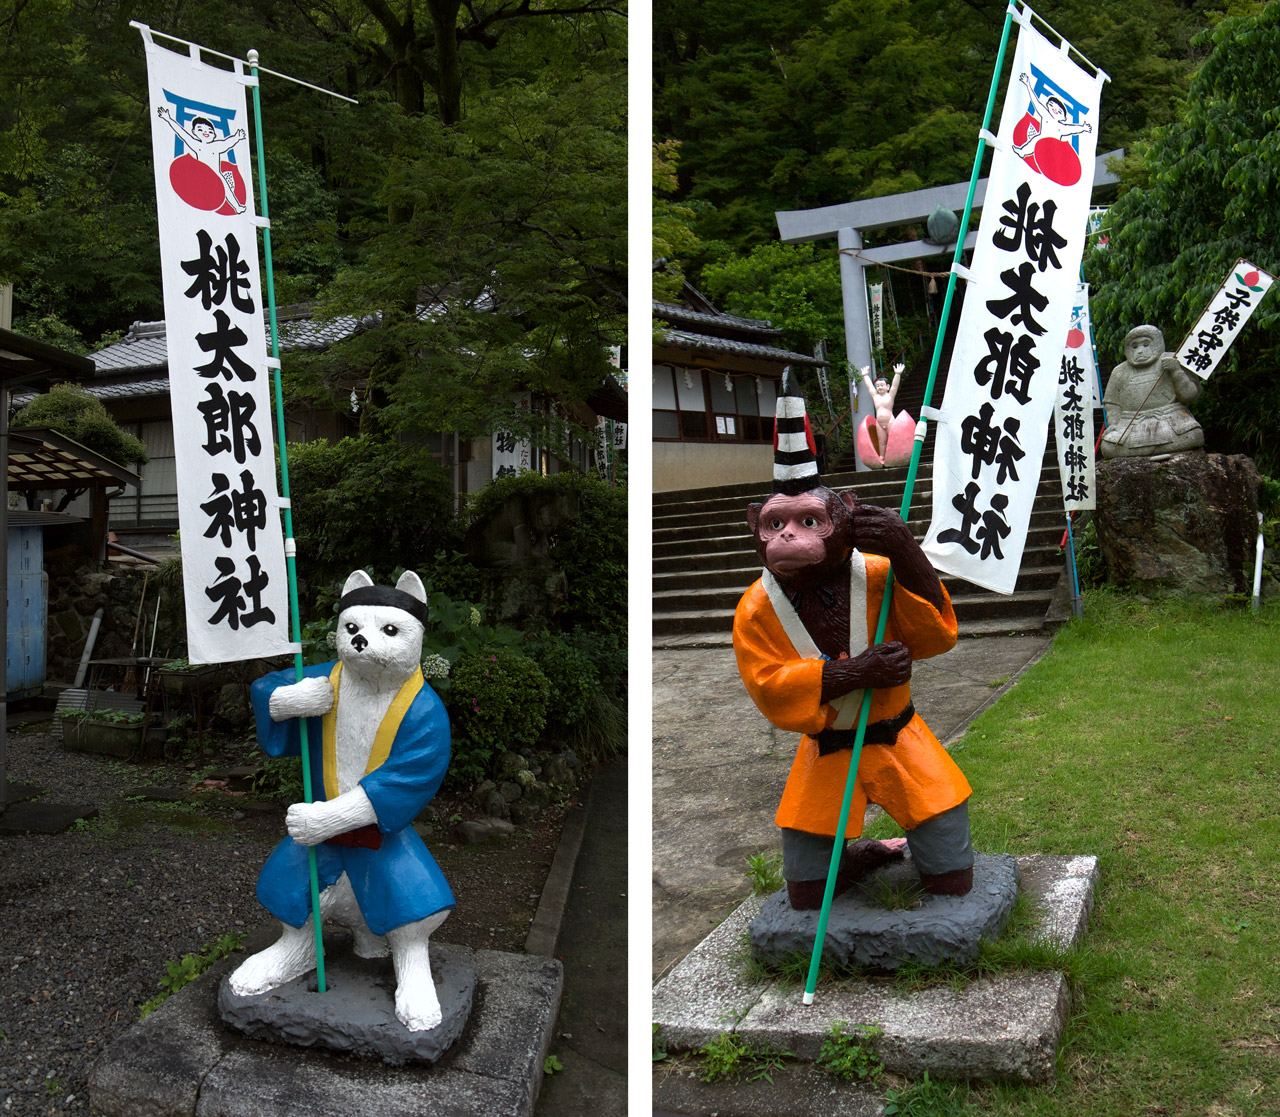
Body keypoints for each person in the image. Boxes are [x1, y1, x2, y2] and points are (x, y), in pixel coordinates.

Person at [1100, 325, 1204, 459]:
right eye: (1134, 346)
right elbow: (1112, 404)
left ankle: (1150, 452)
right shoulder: (1120, 371)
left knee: (1193, 435)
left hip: (1170, 417)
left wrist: (1176, 371)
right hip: (1131, 423)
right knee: (1109, 447)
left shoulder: (1171, 359)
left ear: (1157, 343)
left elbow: (1189, 396)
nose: (1140, 351)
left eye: (1146, 344)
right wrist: (1114, 424)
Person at [157, 106, 247, 214]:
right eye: (200, 129)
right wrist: (168, 119)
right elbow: (182, 134)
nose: (206, 132)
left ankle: (237, 206)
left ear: (214, 134)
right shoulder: (196, 144)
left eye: (209, 130)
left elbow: (228, 143)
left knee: (226, 188)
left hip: (217, 173)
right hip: (203, 174)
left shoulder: (216, 145)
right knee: (198, 191)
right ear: (194, 132)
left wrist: (237, 137)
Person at [860, 363, 904, 457]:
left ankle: (895, 455)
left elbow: (895, 386)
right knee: (881, 442)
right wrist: (865, 376)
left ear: (887, 387)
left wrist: (897, 374)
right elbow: (869, 387)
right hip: (879, 422)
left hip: (889, 420)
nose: (879, 387)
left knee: (893, 439)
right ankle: (882, 457)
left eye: (882, 385)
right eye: (878, 386)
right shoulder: (875, 396)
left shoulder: (890, 396)